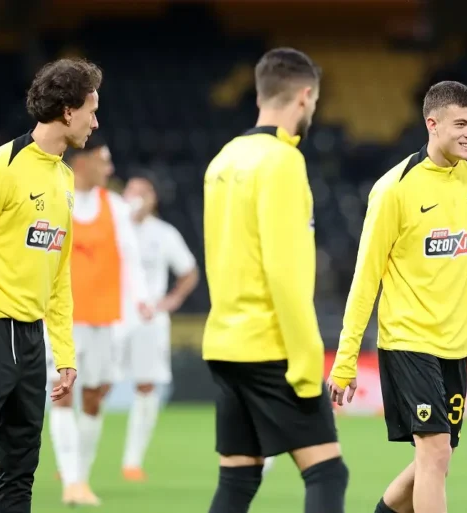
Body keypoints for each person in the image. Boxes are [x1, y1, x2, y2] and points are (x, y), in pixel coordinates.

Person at [327, 80, 467, 513]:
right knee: (435, 452)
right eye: (461, 124)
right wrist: (346, 360)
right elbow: (365, 279)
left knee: (438, 458)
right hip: (409, 341)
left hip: (456, 347)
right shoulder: (395, 189)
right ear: (432, 124)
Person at [202, 47, 348, 513]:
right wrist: (306, 362)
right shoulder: (282, 161)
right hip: (269, 347)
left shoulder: (224, 159)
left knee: (239, 478)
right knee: (327, 472)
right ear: (304, 96)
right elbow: (285, 273)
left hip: (224, 344)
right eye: (315, 101)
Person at [0, 57, 97, 512]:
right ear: (67, 110)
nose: (95, 123)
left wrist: (64, 353)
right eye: (91, 111)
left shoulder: (64, 178)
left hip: (30, 341)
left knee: (20, 470)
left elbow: (58, 274)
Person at [46, 136, 152, 506]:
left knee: (93, 397)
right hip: (62, 319)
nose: (110, 169)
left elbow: (131, 257)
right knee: (62, 394)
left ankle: (81, 476)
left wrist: (141, 299)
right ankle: (71, 479)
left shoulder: (115, 207)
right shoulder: (55, 200)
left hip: (104, 320)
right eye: (103, 161)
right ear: (82, 162)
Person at [116, 173, 199, 481]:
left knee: (146, 385)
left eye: (144, 191)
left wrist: (170, 301)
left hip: (149, 320)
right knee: (92, 384)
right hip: (110, 316)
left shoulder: (164, 234)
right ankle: (74, 465)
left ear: (153, 199)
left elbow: (189, 272)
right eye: (132, 190)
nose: (137, 197)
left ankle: (132, 461)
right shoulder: (111, 227)